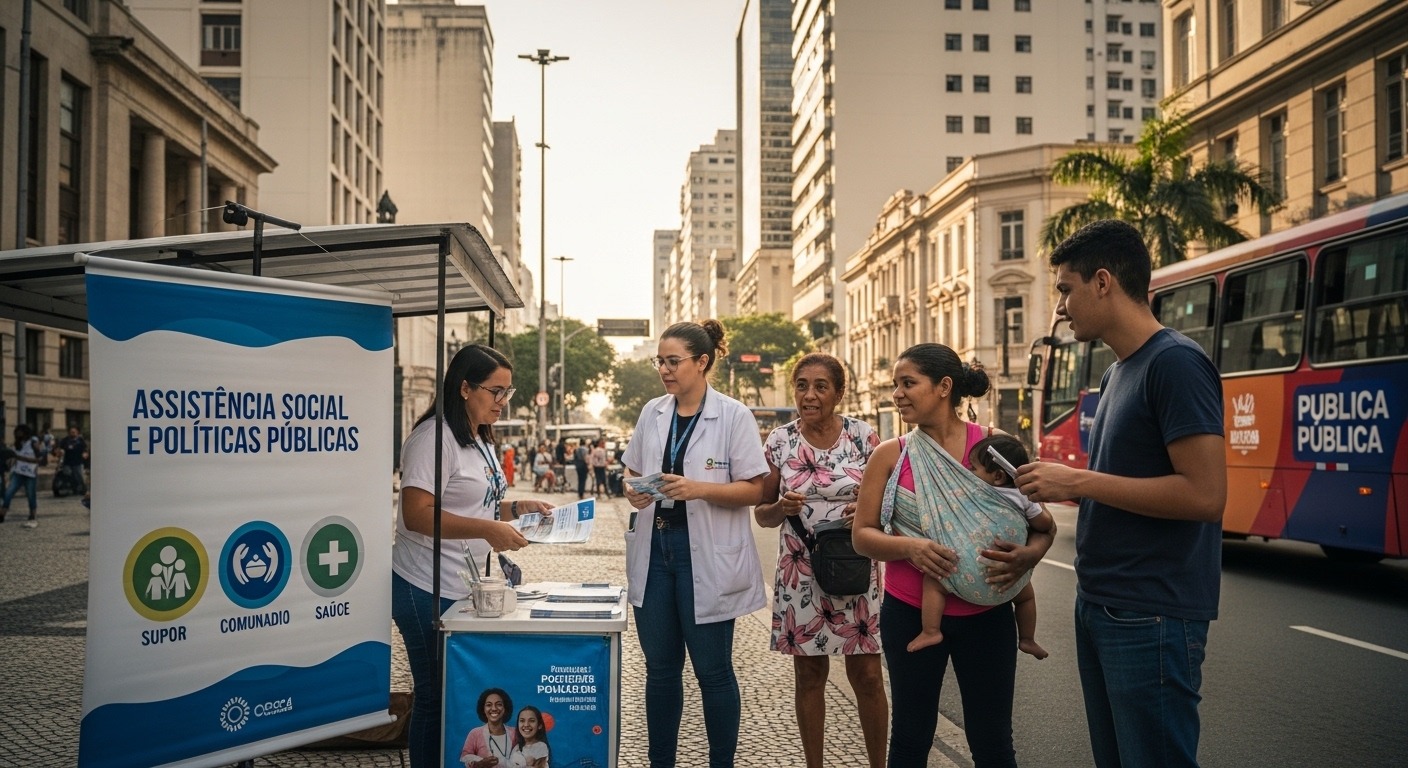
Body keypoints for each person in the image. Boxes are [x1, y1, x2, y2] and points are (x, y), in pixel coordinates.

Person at [1015, 219, 1226, 768]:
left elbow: (1205, 496)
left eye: (1065, 289)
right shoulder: (1116, 375)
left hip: (1151, 611)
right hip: (1103, 602)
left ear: (1103, 281)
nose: (1060, 307)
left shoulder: (1175, 363)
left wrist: (1076, 482)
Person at [853, 343, 1054, 767]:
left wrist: (1028, 557)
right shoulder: (890, 454)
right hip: (911, 613)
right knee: (910, 738)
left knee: (993, 742)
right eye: (896, 385)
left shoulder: (996, 451)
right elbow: (863, 535)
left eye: (908, 383)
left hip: (988, 615)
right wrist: (911, 547)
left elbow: (1041, 525)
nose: (898, 394)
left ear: (944, 387)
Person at [392, 344, 555, 767]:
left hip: (463, 585)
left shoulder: (479, 435)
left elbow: (476, 502)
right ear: (464, 388)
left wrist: (518, 509)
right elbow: (416, 515)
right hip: (422, 585)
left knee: (457, 693)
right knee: (433, 694)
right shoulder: (433, 438)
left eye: (508, 392)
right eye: (494, 392)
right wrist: (489, 530)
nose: (502, 402)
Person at [620, 319, 769, 768]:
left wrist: (699, 488)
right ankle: (659, 761)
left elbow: (755, 490)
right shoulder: (653, 412)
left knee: (713, 672)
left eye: (673, 361)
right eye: (660, 361)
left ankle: (720, 762)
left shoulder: (734, 415)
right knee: (660, 672)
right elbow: (630, 472)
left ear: (702, 362)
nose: (664, 369)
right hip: (655, 551)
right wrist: (632, 490)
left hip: (701, 555)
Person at [754, 352, 887, 768]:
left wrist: (868, 512)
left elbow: (892, 502)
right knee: (810, 676)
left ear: (839, 393)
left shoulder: (864, 437)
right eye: (801, 386)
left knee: (866, 675)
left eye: (820, 386)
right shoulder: (779, 440)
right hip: (801, 571)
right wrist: (783, 508)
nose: (809, 395)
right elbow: (761, 513)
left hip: (857, 568)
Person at [907, 434, 1055, 658]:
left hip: (964, 569)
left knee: (934, 583)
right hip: (1008, 573)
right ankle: (1027, 638)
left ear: (997, 476)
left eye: (974, 468)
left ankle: (930, 630)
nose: (969, 473)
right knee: (1025, 597)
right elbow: (1045, 525)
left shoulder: (971, 491)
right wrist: (1034, 508)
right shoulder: (1023, 496)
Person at [459, 688, 517, 766]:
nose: (494, 708)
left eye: (499, 704)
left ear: (505, 708)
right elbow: (465, 757)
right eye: (489, 705)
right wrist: (480, 764)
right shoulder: (475, 733)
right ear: (483, 709)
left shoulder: (515, 733)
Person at [2, 425, 43, 528]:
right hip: (18, 472)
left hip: (30, 473)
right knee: (8, 492)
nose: (18, 434)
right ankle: (2, 513)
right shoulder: (17, 444)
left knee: (30, 495)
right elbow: (13, 457)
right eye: (16, 432)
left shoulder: (33, 442)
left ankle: (32, 514)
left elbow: (39, 459)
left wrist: (21, 458)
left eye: (20, 432)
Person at [57, 426, 89, 497]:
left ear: (77, 433)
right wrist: (60, 451)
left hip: (78, 461)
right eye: (71, 432)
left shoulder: (81, 441)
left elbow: (85, 449)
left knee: (79, 475)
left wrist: (85, 454)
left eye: (74, 432)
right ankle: (72, 488)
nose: (72, 434)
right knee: (68, 474)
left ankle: (83, 489)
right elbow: (60, 448)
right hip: (67, 461)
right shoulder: (65, 440)